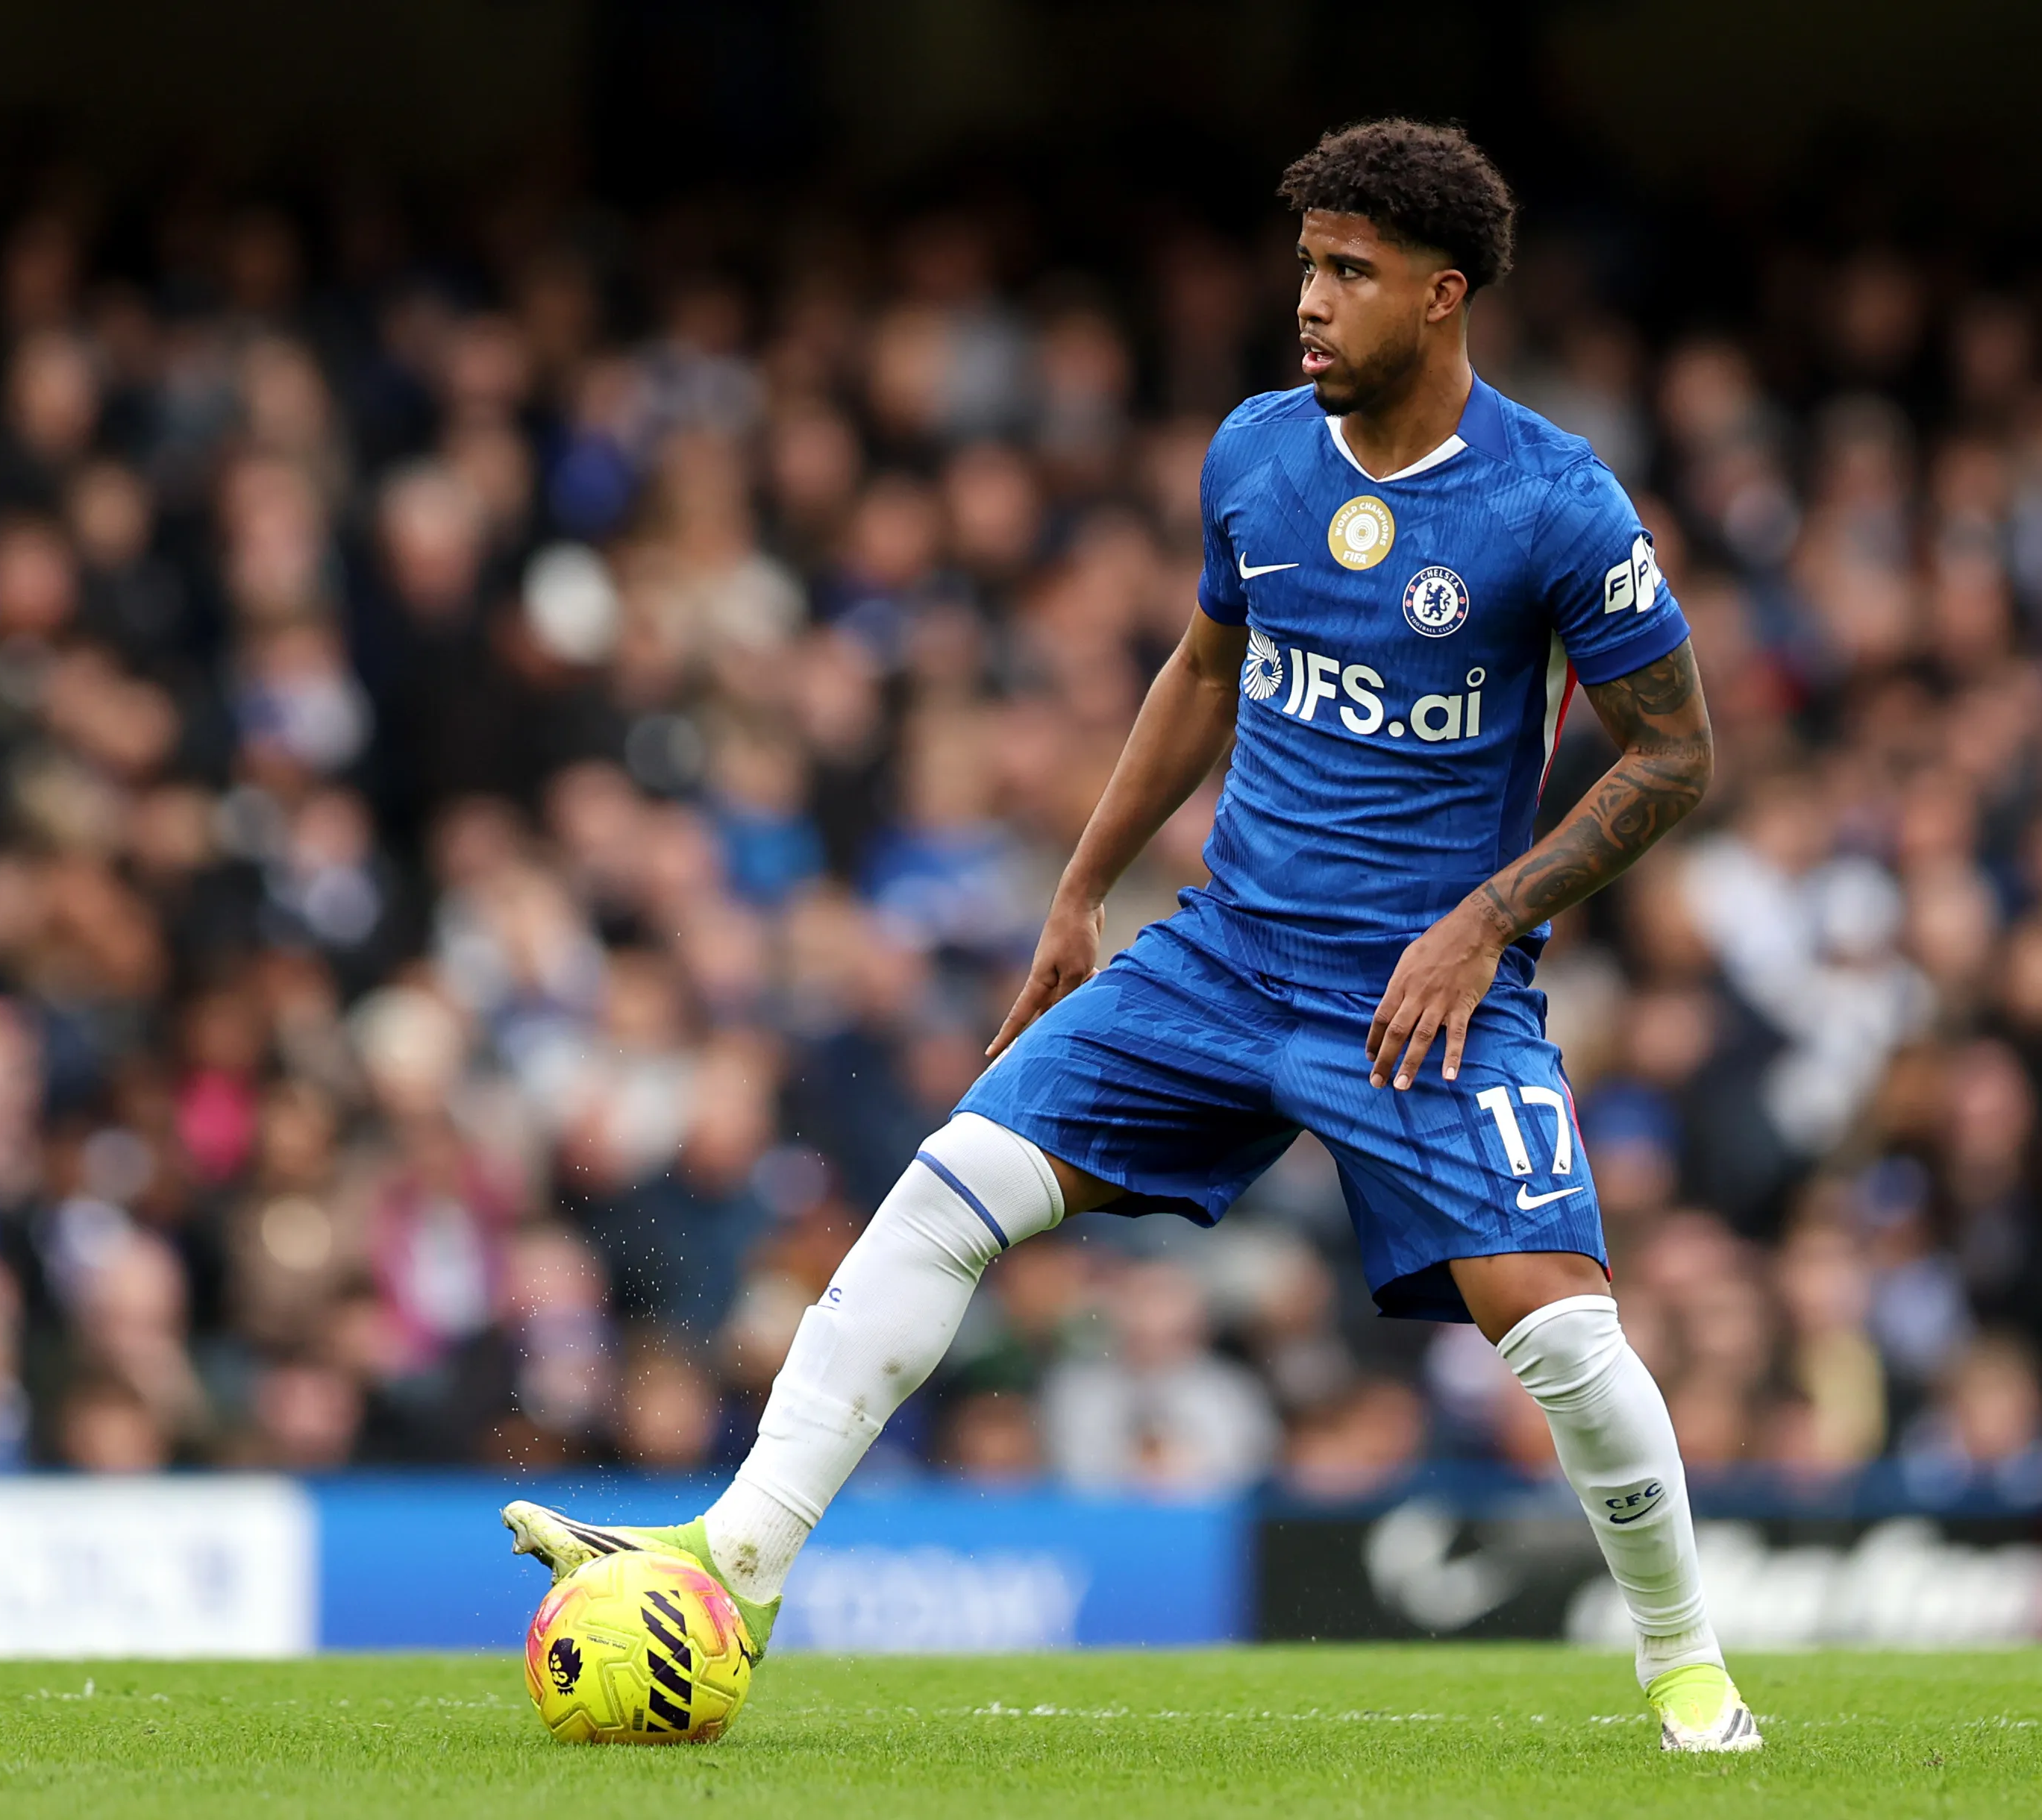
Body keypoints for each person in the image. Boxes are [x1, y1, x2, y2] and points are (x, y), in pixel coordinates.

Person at [503, 119, 1755, 1752]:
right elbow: (1204, 669)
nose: (1309, 301)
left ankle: (1687, 1668)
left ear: (1445, 297)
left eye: (1350, 273)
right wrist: (1083, 888)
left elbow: (1678, 750)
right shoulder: (1256, 453)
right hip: (1227, 955)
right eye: (1305, 264)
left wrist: (1485, 921)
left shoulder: (1553, 500)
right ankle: (738, 1553)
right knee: (948, 1186)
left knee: (1568, 1330)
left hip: (1423, 988)